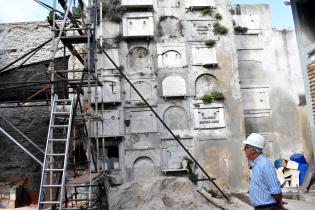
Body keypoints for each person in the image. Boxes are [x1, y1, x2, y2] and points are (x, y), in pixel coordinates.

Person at [243, 133, 288, 210]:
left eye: (246, 147)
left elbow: (276, 190)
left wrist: (278, 203)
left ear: (253, 150)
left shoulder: (264, 164)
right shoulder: (256, 164)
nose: (244, 149)